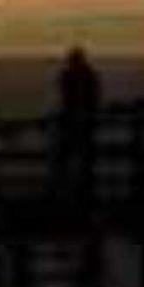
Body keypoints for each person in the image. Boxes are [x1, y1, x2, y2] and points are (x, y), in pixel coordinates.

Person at [55, 47, 101, 199]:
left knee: (70, 155)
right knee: (82, 156)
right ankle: (81, 188)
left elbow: (66, 97)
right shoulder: (89, 75)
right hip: (83, 121)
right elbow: (94, 98)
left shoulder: (68, 76)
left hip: (73, 121)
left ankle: (67, 188)